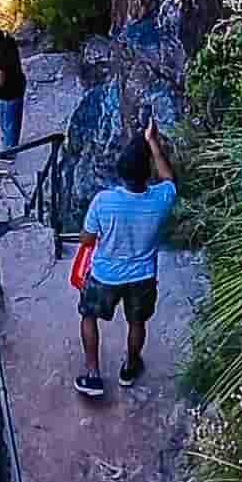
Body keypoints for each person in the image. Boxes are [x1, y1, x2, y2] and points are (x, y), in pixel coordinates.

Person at [72, 121, 176, 398]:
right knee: (137, 323)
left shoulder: (103, 201)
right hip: (142, 277)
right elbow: (169, 178)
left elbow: (86, 240)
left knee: (88, 315)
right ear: (147, 173)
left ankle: (93, 374)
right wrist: (152, 142)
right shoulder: (162, 198)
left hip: (105, 274)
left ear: (121, 171)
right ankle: (129, 368)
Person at [0, 27, 26, 155]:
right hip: (17, 89)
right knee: (11, 123)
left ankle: (10, 152)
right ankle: (9, 146)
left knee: (8, 124)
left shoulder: (0, 59)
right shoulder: (11, 45)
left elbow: (0, 82)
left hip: (7, 94)